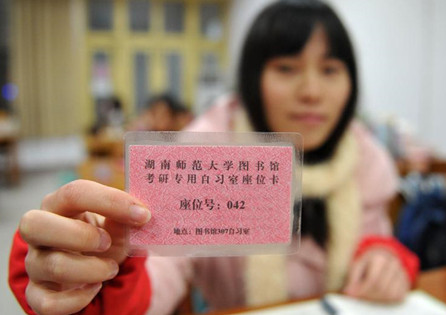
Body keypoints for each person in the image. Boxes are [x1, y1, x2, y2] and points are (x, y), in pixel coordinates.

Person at [8, 1, 419, 314]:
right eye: (287, 67)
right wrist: (98, 275)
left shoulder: (363, 155)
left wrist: (383, 258)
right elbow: (162, 273)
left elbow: (374, 235)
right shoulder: (206, 154)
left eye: (330, 69)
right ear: (253, 78)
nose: (312, 90)